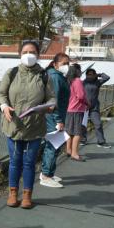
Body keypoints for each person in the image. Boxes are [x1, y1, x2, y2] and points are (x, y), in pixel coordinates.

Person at [0, 41, 56, 209]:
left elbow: (51, 98)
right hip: (13, 125)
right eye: (25, 51)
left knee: (29, 162)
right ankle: (13, 193)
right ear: (19, 54)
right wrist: (3, 106)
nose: (28, 55)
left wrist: (50, 106)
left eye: (32, 51)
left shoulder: (44, 75)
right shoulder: (12, 73)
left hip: (35, 126)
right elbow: (1, 94)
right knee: (15, 161)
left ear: (38, 54)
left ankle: (27, 195)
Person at [40, 53, 71, 188]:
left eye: (67, 63)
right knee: (52, 145)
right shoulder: (55, 77)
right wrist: (58, 120)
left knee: (55, 145)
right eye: (64, 63)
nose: (66, 66)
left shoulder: (59, 76)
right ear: (55, 63)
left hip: (57, 116)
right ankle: (46, 175)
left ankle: (49, 173)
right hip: (54, 117)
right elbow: (54, 101)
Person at [81, 69, 111, 148]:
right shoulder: (83, 83)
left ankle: (101, 141)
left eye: (91, 74)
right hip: (84, 107)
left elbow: (107, 77)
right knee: (83, 124)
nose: (90, 76)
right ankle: (83, 140)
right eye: (88, 74)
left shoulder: (97, 82)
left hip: (94, 107)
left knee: (98, 124)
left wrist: (99, 74)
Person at [65, 64, 88, 162]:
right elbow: (81, 96)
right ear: (77, 71)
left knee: (69, 132)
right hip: (77, 109)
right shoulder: (78, 81)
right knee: (78, 132)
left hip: (69, 109)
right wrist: (88, 103)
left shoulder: (69, 81)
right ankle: (74, 153)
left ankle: (68, 150)